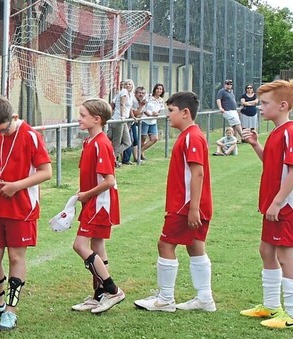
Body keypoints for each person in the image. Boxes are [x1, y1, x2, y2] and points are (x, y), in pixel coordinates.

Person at [134, 91, 216, 313]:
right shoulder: (190, 136)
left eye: (171, 111)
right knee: (195, 245)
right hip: (190, 205)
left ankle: (166, 299)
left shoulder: (192, 137)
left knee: (165, 245)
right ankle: (205, 298)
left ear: (185, 112)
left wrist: (193, 209)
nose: (167, 115)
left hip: (185, 206)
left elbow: (197, 173)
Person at [0, 97, 52, 330]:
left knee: (16, 257)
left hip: (21, 208)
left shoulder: (30, 136)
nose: (2, 134)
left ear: (15, 118)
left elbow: (46, 172)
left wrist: (16, 186)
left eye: (5, 129)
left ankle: (10, 310)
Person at [239, 80, 293, 328]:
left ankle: (291, 315)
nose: (259, 107)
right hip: (274, 206)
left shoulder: (290, 131)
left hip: (286, 206)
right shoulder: (275, 132)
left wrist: (278, 202)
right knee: (266, 251)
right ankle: (271, 306)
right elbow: (272, 165)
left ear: (283, 105)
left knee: (285, 256)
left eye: (264, 103)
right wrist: (256, 145)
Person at [70, 98, 125, 313]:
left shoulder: (101, 143)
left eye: (83, 115)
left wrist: (86, 195)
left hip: (100, 204)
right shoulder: (91, 142)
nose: (79, 118)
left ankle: (113, 290)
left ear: (97, 119)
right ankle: (99, 294)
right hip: (93, 202)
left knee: (80, 245)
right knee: (97, 247)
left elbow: (109, 181)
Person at [108, 80, 133, 167]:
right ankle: (112, 160)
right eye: (126, 84)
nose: (127, 85)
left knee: (127, 142)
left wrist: (132, 117)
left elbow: (130, 108)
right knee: (117, 142)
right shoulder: (123, 92)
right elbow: (122, 104)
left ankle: (111, 156)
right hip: (119, 118)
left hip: (124, 119)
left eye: (129, 84)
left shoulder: (130, 94)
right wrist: (122, 116)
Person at [123, 86, 146, 164]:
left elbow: (140, 114)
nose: (141, 95)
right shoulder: (133, 100)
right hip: (127, 121)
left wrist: (140, 110)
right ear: (135, 93)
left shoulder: (141, 100)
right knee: (128, 141)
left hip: (132, 122)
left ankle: (136, 158)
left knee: (135, 140)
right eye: (139, 93)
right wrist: (141, 106)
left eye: (143, 93)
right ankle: (125, 159)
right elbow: (136, 113)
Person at [141, 83, 165, 157]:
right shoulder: (149, 97)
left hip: (153, 121)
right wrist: (149, 114)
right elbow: (142, 106)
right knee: (143, 137)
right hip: (145, 119)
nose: (159, 90)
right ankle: (139, 155)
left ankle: (141, 150)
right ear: (155, 89)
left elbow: (160, 110)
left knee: (154, 138)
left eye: (160, 89)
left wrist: (156, 114)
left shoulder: (161, 100)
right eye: (157, 88)